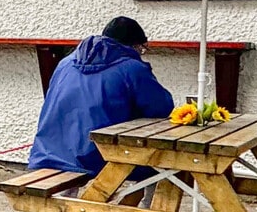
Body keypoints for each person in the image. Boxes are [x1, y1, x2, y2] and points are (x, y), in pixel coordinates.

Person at [27, 15, 176, 175]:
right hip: (99, 158)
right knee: (166, 163)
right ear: (134, 46)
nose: (141, 53)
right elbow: (162, 108)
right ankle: (148, 193)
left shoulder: (65, 63)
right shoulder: (132, 69)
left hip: (48, 153)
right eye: (142, 48)